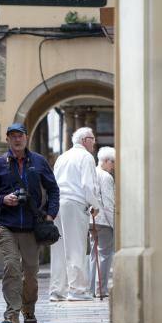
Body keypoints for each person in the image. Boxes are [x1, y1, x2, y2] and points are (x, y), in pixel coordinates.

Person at [0, 123, 59, 323]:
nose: (16, 139)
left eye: (19, 136)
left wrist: (50, 215)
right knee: (12, 267)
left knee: (30, 272)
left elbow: (53, 189)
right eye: (12, 136)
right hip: (7, 226)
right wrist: (4, 199)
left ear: (26, 138)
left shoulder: (38, 162)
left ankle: (28, 308)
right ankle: (11, 313)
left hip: (32, 226)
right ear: (7, 140)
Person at [50, 127, 101, 301]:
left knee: (59, 249)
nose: (94, 142)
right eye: (93, 138)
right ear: (85, 140)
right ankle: (77, 290)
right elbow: (88, 185)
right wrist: (95, 205)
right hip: (75, 204)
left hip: (58, 204)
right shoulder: (86, 157)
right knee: (76, 248)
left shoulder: (62, 157)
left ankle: (57, 291)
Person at [89, 146, 115, 298]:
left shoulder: (92, 173)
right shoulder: (106, 177)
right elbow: (109, 203)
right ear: (105, 161)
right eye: (112, 162)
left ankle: (92, 289)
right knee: (104, 255)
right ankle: (101, 289)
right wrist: (114, 225)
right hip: (104, 221)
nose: (113, 166)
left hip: (92, 220)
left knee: (94, 254)